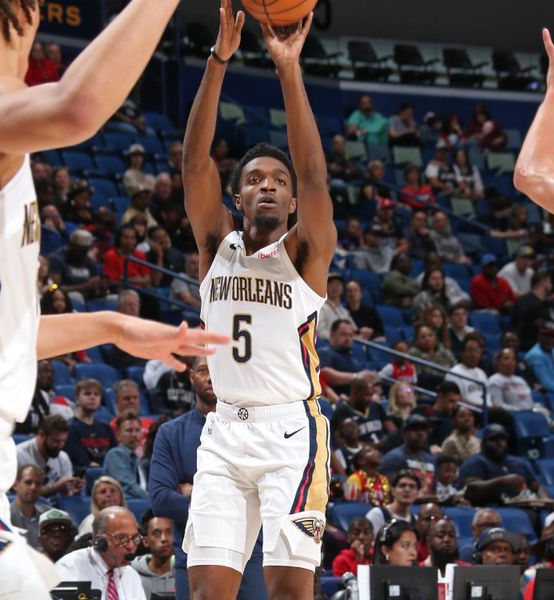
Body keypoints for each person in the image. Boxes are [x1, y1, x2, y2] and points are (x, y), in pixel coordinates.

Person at [185, 9, 338, 590]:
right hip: (223, 431)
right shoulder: (213, 245)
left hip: (291, 435)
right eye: (254, 179)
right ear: (237, 196)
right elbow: (193, 162)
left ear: (292, 203)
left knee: (287, 590)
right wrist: (219, 58)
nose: (268, 184)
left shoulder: (304, 257)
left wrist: (289, 70)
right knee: (206, 589)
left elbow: (317, 178)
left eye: (278, 179)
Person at [149, 355, 268, 600]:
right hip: (193, 551)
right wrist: (231, 499)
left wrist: (197, 492)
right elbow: (161, 498)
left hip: (251, 553)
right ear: (191, 375)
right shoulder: (170, 433)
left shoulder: (252, 429)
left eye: (218, 369)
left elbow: (263, 490)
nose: (211, 376)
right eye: (203, 369)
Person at [55, 506, 146, 599]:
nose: (131, 546)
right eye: (121, 538)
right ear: (99, 541)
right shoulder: (69, 567)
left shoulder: (131, 575)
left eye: (135, 538)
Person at [458, 424, 542, 506]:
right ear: (483, 443)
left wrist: (546, 499)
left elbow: (536, 486)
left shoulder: (520, 462)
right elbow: (471, 490)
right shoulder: (474, 462)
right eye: (494, 439)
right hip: (487, 509)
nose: (499, 443)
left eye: (502, 439)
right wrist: (501, 481)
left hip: (522, 507)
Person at [16, 414, 84, 497]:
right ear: (41, 435)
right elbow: (19, 493)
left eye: (63, 441)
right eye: (56, 441)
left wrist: (72, 490)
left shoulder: (63, 458)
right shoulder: (18, 455)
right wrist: (54, 488)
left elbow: (67, 495)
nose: (60, 446)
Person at [64, 379, 119, 469]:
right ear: (77, 399)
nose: (92, 397)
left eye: (96, 394)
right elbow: (81, 461)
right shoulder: (70, 428)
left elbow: (115, 457)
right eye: (87, 394)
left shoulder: (106, 429)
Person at [379, 415, 436, 491]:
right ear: (404, 434)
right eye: (415, 429)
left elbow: (434, 490)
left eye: (424, 430)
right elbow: (390, 492)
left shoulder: (431, 460)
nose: (420, 433)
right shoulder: (393, 458)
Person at [103, 411, 149, 499]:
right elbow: (128, 486)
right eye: (129, 430)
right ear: (118, 435)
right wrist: (151, 500)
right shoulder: (115, 454)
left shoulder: (137, 458)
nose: (134, 434)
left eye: (137, 430)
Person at [131, 512, 175, 600]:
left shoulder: (186, 574)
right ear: (145, 541)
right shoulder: (131, 574)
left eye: (169, 532)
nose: (164, 539)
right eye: (156, 533)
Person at [365, 470, 420, 536]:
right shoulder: (377, 515)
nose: (407, 490)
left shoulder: (416, 520)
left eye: (412, 486)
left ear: (417, 493)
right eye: (402, 485)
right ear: (393, 490)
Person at [9, 465, 51, 551]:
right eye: (28, 482)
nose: (33, 487)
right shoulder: (5, 516)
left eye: (38, 483)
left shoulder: (49, 514)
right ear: (15, 485)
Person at [316, 272, 356, 340]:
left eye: (338, 284)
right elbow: (320, 333)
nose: (335, 286)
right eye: (330, 283)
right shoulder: (320, 308)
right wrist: (338, 339)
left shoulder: (344, 311)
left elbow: (354, 330)